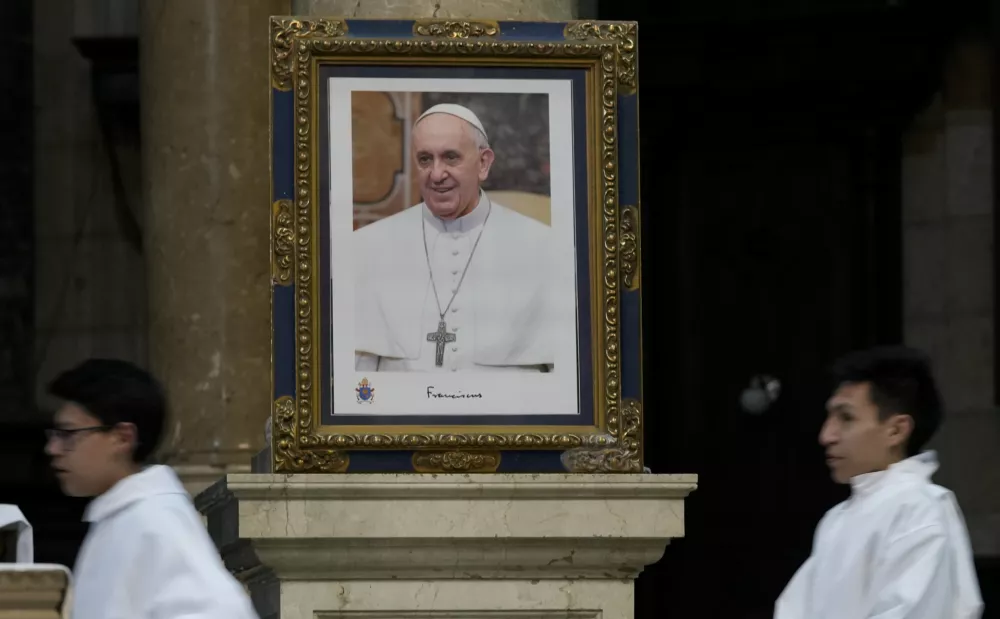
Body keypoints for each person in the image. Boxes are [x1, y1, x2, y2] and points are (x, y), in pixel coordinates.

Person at [774, 345, 984, 619]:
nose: (827, 435)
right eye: (830, 417)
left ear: (896, 430)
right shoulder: (836, 519)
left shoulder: (920, 508)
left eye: (846, 417)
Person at [44, 358, 258, 619]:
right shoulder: (122, 517)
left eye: (68, 434)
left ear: (122, 438)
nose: (52, 449)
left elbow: (223, 612)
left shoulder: (154, 520)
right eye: (54, 435)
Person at [353, 103, 554, 372]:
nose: (436, 174)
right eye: (425, 159)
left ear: (483, 163)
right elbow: (355, 381)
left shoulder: (544, 247)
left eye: (451, 157)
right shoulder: (367, 247)